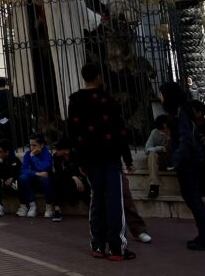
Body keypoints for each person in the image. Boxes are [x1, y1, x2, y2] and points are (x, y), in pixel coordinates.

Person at [67, 63, 134, 261]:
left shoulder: (75, 100)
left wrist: (78, 159)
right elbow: (120, 130)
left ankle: (97, 244)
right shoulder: (108, 100)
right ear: (98, 76)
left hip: (89, 157)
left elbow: (73, 132)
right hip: (110, 155)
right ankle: (116, 247)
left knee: (96, 198)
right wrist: (127, 158)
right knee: (114, 200)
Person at [160, 81, 205, 251]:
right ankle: (204, 234)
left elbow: (185, 138)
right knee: (192, 198)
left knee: (193, 199)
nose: (159, 97)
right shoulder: (183, 110)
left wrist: (177, 158)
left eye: (162, 94)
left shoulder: (181, 112)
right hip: (190, 161)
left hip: (188, 162)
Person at [16, 134, 55, 219]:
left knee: (44, 179)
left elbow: (43, 167)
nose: (31, 148)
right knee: (23, 178)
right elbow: (23, 169)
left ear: (41, 145)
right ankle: (32, 205)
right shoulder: (28, 154)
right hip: (34, 180)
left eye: (34, 145)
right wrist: (36, 173)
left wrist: (33, 157)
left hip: (45, 183)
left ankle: (49, 206)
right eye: (30, 145)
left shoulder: (47, 154)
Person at [50, 137, 88, 220]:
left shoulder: (76, 156)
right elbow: (59, 173)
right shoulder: (56, 157)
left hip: (77, 181)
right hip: (65, 181)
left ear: (67, 150)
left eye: (59, 149)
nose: (56, 151)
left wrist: (76, 176)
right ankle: (57, 210)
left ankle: (92, 209)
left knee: (83, 183)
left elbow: (81, 171)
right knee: (57, 180)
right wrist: (73, 176)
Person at [0, 140, 21, 216]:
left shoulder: (15, 160)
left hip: (14, 185)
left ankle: (23, 205)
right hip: (3, 185)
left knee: (20, 180)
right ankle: (0, 205)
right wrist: (1, 164)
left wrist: (12, 178)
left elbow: (19, 172)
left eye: (0, 151)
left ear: (7, 152)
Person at [144, 114, 171, 199]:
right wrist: (160, 148)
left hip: (173, 159)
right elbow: (147, 149)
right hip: (160, 160)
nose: (165, 131)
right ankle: (154, 186)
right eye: (162, 129)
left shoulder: (175, 131)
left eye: (166, 128)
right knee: (152, 155)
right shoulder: (155, 132)